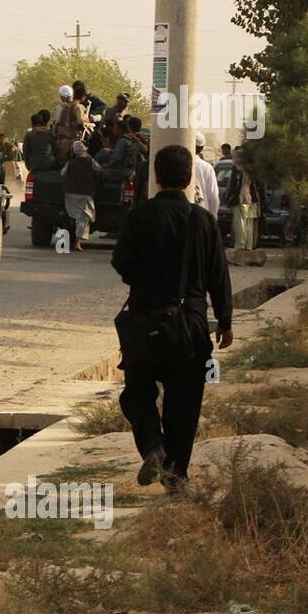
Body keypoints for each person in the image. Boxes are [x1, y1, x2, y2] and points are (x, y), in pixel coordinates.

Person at [112, 145, 233, 493]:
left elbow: (123, 265)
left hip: (144, 325)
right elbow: (218, 276)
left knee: (137, 393)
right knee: (184, 402)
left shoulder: (139, 217)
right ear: (189, 178)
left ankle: (152, 446)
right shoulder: (204, 221)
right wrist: (224, 321)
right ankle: (175, 477)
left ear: (157, 175)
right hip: (190, 327)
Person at [62, 141, 100, 251]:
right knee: (83, 218)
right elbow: (99, 170)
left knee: (76, 217)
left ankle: (72, 240)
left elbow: (62, 173)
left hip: (70, 194)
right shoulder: (91, 161)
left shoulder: (71, 162)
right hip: (85, 194)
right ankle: (77, 242)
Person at [225, 151, 263, 251]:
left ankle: (240, 245)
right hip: (252, 200)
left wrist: (229, 198)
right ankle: (248, 245)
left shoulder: (237, 169)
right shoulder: (252, 169)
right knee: (249, 224)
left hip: (241, 199)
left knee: (240, 223)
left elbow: (233, 186)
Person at [54, 83, 90, 166]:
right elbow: (81, 122)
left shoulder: (63, 107)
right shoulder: (78, 107)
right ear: (83, 97)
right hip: (73, 143)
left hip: (61, 143)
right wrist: (88, 120)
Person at [192, 139, 220, 219]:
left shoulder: (177, 163)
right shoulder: (206, 167)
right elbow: (214, 197)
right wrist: (213, 219)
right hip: (202, 214)